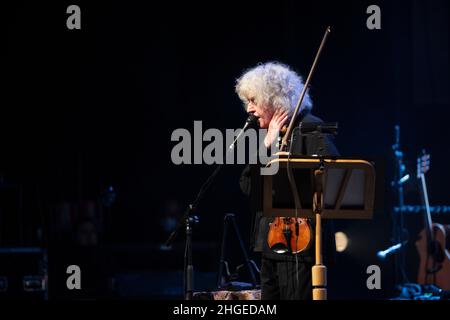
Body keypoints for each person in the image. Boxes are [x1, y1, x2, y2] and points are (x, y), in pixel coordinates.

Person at [235, 62, 338, 300]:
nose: (249, 109)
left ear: (273, 99)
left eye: (253, 100)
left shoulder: (311, 128)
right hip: (269, 244)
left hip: (300, 246)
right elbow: (248, 187)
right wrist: (266, 146)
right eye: (247, 102)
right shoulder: (271, 137)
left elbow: (334, 173)